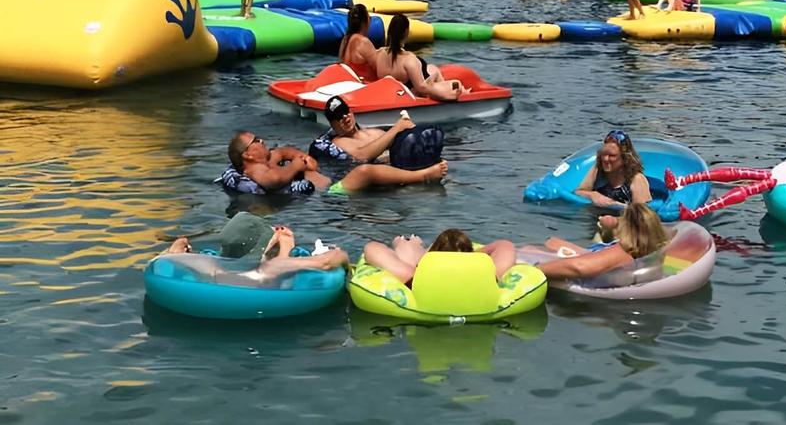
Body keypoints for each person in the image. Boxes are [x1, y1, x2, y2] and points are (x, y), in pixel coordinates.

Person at [226, 131, 446, 197]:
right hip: (331, 195)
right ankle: (425, 175)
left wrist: (304, 157)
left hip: (333, 182)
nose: (262, 140)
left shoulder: (269, 158)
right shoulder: (256, 170)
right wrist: (298, 167)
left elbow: (285, 151)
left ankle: (412, 169)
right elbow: (274, 181)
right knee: (365, 171)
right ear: (247, 155)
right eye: (256, 141)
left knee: (380, 162)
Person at [162, 212, 349, 278]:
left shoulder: (213, 263)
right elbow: (328, 261)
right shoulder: (270, 267)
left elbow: (170, 256)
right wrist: (286, 247)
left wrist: (181, 242)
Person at [532, 203, 669, 282]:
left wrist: (534, 270)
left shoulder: (626, 250)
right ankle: (604, 229)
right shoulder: (656, 248)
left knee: (532, 248)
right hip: (598, 254)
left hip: (591, 267)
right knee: (554, 242)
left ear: (627, 227)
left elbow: (579, 267)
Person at [312, 95, 445, 173]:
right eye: (339, 117)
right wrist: (397, 127)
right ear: (332, 124)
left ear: (352, 112)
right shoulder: (338, 143)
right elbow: (361, 157)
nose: (345, 118)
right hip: (384, 176)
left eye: (346, 112)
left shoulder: (374, 132)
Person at [362, 229, 516, 285]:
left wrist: (420, 260)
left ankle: (413, 245)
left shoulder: (413, 278)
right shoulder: (490, 277)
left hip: (421, 275)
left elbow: (371, 248)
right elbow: (504, 245)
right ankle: (415, 247)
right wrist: (476, 256)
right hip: (474, 272)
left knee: (405, 249)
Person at [374, 15, 467, 101]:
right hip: (410, 93)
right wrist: (447, 95)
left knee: (432, 68)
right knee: (455, 83)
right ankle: (458, 93)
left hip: (391, 91)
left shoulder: (379, 53)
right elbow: (421, 88)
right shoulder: (408, 59)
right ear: (406, 32)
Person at [574, 130, 652, 207]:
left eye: (612, 156)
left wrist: (613, 205)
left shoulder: (637, 179)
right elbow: (579, 192)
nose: (605, 159)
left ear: (625, 158)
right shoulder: (598, 170)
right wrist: (593, 195)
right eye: (604, 154)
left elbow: (641, 214)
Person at [338, 4, 378, 79]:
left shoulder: (345, 40)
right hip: (364, 85)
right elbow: (378, 69)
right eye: (369, 18)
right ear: (364, 22)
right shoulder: (363, 42)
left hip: (349, 82)